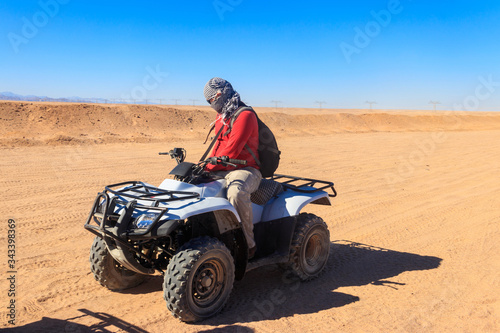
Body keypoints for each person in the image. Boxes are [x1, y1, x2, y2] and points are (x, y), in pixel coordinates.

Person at [203, 77, 262, 259]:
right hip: (223, 168)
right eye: (209, 102)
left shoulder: (245, 115)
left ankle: (248, 245)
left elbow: (231, 151)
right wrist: (203, 169)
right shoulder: (221, 116)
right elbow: (218, 148)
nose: (212, 104)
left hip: (246, 170)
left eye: (212, 100)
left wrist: (209, 165)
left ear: (221, 95)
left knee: (236, 192)